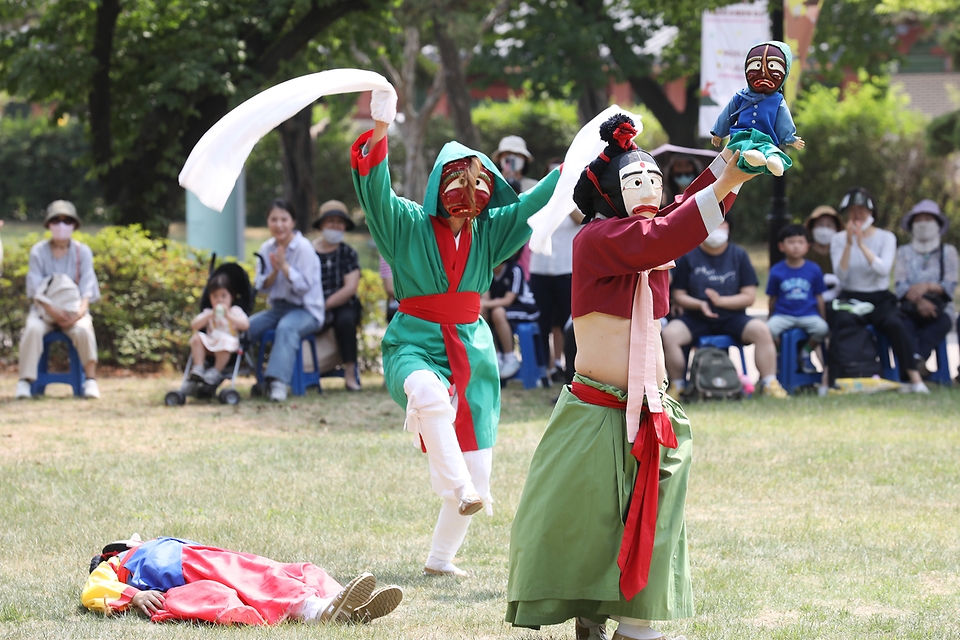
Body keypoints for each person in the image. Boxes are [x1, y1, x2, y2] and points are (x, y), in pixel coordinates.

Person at [506, 113, 757, 640]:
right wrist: (729, 180)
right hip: (596, 410)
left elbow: (681, 215)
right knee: (584, 524)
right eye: (634, 181)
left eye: (652, 179)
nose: (648, 188)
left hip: (653, 410)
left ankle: (637, 628)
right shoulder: (597, 239)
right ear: (608, 194)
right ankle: (592, 613)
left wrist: (732, 161)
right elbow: (665, 234)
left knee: (657, 524)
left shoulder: (648, 237)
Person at [352, 90, 560, 578]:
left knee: (481, 471)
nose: (469, 195)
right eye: (458, 182)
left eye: (479, 182)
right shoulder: (404, 222)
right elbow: (374, 189)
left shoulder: (488, 229)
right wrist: (381, 129)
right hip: (414, 338)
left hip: (473, 345)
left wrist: (581, 159)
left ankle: (440, 558)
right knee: (425, 390)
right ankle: (458, 488)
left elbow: (537, 199)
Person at [82, 534, 402, 626]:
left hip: (198, 558)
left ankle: (345, 603)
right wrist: (133, 596)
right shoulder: (119, 561)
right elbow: (94, 590)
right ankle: (317, 610)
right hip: (182, 566)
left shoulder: (153, 544)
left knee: (295, 570)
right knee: (257, 578)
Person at [662, 217, 788, 399]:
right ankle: (678, 386)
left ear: (729, 228)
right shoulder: (689, 255)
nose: (717, 229)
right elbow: (678, 295)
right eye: (712, 223)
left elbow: (749, 296)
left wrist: (721, 302)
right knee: (669, 334)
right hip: (695, 316)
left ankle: (769, 383)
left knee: (761, 330)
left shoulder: (739, 255)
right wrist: (701, 304)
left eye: (722, 224)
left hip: (732, 317)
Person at [829, 187, 929, 392]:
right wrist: (849, 245)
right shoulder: (838, 240)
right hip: (850, 297)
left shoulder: (886, 238)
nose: (857, 215)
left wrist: (862, 245)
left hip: (880, 297)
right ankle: (837, 378)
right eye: (852, 211)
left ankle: (914, 378)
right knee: (842, 323)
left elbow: (883, 270)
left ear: (872, 212)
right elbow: (841, 275)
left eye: (862, 210)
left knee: (895, 324)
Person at [16, 200, 102, 400]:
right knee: (32, 330)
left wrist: (79, 312)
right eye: (56, 220)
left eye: (66, 221)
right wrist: (52, 310)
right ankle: (25, 382)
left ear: (74, 224)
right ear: (49, 224)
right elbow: (35, 288)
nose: (61, 225)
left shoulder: (83, 252)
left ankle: (90, 380)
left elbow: (88, 288)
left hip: (74, 312)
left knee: (84, 330)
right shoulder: (38, 251)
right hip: (43, 312)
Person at [248, 199, 325, 402]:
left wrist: (284, 267)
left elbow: (305, 286)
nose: (279, 224)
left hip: (307, 310)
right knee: (246, 327)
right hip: (279, 308)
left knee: (286, 328)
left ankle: (277, 384)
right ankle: (229, 373)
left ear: (293, 222)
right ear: (268, 222)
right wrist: (274, 271)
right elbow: (261, 286)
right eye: (274, 219)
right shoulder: (266, 249)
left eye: (284, 219)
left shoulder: (304, 248)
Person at [710, 40, 805, 176]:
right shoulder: (741, 96)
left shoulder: (777, 100)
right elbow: (728, 114)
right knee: (744, 150)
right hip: (741, 137)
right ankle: (754, 158)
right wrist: (719, 132)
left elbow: (784, 120)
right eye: (756, 65)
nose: (763, 72)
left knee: (771, 150)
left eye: (772, 66)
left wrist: (791, 138)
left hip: (766, 138)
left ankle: (774, 161)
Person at [528, 157, 582, 382]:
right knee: (543, 322)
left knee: (565, 321)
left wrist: (565, 197)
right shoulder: (540, 197)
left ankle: (562, 365)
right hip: (539, 268)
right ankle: (545, 369)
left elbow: (582, 220)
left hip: (566, 269)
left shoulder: (577, 198)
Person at [894, 199, 958, 379]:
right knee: (904, 326)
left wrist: (928, 287)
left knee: (938, 326)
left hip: (940, 309)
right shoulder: (904, 252)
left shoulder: (948, 251)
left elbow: (950, 285)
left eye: (928, 219)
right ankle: (917, 367)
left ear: (937, 224)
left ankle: (914, 362)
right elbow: (899, 284)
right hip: (910, 308)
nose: (923, 223)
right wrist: (919, 300)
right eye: (919, 219)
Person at [311, 200, 362, 391]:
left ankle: (350, 373)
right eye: (330, 221)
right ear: (322, 224)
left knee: (346, 321)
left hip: (343, 304)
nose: (335, 226)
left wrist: (326, 305)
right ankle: (306, 372)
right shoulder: (308, 251)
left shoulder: (348, 253)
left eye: (339, 222)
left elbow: (351, 287)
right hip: (312, 303)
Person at [765, 224, 829, 375]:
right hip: (783, 314)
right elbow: (772, 298)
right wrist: (770, 316)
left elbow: (819, 296)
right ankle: (780, 354)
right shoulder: (776, 271)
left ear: (807, 246)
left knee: (822, 329)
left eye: (800, 242)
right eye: (791, 242)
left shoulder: (814, 269)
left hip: (808, 314)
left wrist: (823, 317)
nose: (796, 247)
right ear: (781, 246)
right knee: (767, 331)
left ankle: (806, 353)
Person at [187, 272, 251, 388]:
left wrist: (229, 316)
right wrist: (210, 314)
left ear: (232, 296)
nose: (219, 300)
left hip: (227, 345)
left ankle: (216, 371)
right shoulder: (209, 312)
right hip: (211, 343)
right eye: (215, 296)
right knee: (196, 338)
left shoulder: (235, 311)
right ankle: (198, 368)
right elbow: (194, 325)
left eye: (223, 296)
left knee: (224, 342)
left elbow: (245, 325)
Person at [481, 259, 541, 379]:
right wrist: (482, 305)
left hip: (525, 308)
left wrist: (483, 304)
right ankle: (495, 354)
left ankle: (510, 357)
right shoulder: (486, 270)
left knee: (497, 313)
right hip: (499, 308)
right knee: (482, 313)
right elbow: (485, 299)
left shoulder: (515, 270)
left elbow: (508, 300)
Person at [492, 135, 538, 278]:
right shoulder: (490, 184)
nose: (512, 158)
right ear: (500, 158)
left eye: (517, 155)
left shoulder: (534, 186)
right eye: (507, 155)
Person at [804, 205, 843, 302]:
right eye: (820, 225)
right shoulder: (804, 252)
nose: (825, 230)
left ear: (837, 229)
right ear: (812, 228)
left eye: (829, 225)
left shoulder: (842, 253)